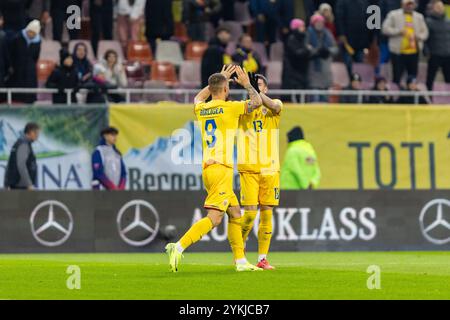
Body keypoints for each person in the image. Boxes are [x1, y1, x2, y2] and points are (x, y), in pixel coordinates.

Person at [165, 65, 263, 272]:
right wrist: (246, 84)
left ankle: (241, 262)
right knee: (215, 218)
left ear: (211, 88)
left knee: (235, 213)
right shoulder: (231, 107)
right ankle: (179, 247)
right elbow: (257, 102)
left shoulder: (202, 109)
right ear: (226, 90)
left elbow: (197, 98)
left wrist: (218, 80)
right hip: (221, 169)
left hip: (209, 169)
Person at [238, 73, 282, 270]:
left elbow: (273, 106)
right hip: (249, 168)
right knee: (249, 215)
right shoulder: (242, 108)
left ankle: (262, 258)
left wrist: (250, 87)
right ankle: (240, 250)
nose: (256, 88)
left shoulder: (275, 105)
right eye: (255, 85)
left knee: (267, 214)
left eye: (260, 85)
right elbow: (253, 101)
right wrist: (250, 89)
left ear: (267, 89)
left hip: (270, 169)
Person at [382, 0, 429, 85]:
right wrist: (399, 31)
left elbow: (425, 33)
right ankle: (396, 96)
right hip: (398, 52)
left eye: (411, 4)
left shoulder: (419, 17)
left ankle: (410, 97)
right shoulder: (393, 14)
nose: (409, 6)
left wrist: (418, 36)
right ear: (402, 4)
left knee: (413, 77)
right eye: (407, 4)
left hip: (414, 52)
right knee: (397, 77)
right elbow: (385, 29)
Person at [7, 20, 41, 104]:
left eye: (33, 33)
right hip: (17, 69)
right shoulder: (17, 37)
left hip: (30, 71)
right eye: (30, 32)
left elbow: (36, 57)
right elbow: (11, 53)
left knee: (29, 94)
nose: (31, 34)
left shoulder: (38, 42)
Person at [335, 0, 371, 76]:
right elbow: (339, 19)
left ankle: (358, 83)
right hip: (347, 40)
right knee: (348, 64)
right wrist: (341, 34)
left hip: (361, 41)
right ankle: (350, 84)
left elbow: (368, 21)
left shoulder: (364, 3)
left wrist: (368, 39)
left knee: (360, 64)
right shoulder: (342, 2)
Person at [307, 14, 338, 100]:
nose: (320, 24)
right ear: (313, 23)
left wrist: (327, 50)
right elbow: (306, 48)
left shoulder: (327, 33)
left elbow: (335, 48)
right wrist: (316, 51)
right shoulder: (308, 33)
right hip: (313, 67)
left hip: (325, 67)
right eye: (317, 22)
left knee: (325, 96)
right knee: (315, 95)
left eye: (321, 22)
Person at [4, 122, 40, 190]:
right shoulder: (24, 144)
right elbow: (21, 165)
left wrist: (6, 183)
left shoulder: (19, 143)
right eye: (36, 133)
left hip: (18, 185)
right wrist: (28, 184)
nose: (37, 136)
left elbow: (9, 165)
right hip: (21, 186)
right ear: (31, 132)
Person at [425, 0, 450, 90]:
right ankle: (428, 98)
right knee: (430, 78)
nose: (439, 9)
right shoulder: (428, 21)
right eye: (437, 7)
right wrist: (426, 52)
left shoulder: (448, 22)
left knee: (448, 78)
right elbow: (425, 39)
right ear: (433, 8)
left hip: (447, 54)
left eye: (441, 7)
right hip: (434, 54)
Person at [282, 19, 311, 90]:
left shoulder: (304, 38)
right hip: (293, 72)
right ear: (296, 27)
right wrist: (307, 49)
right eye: (302, 26)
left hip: (302, 71)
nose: (304, 28)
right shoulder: (291, 39)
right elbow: (296, 53)